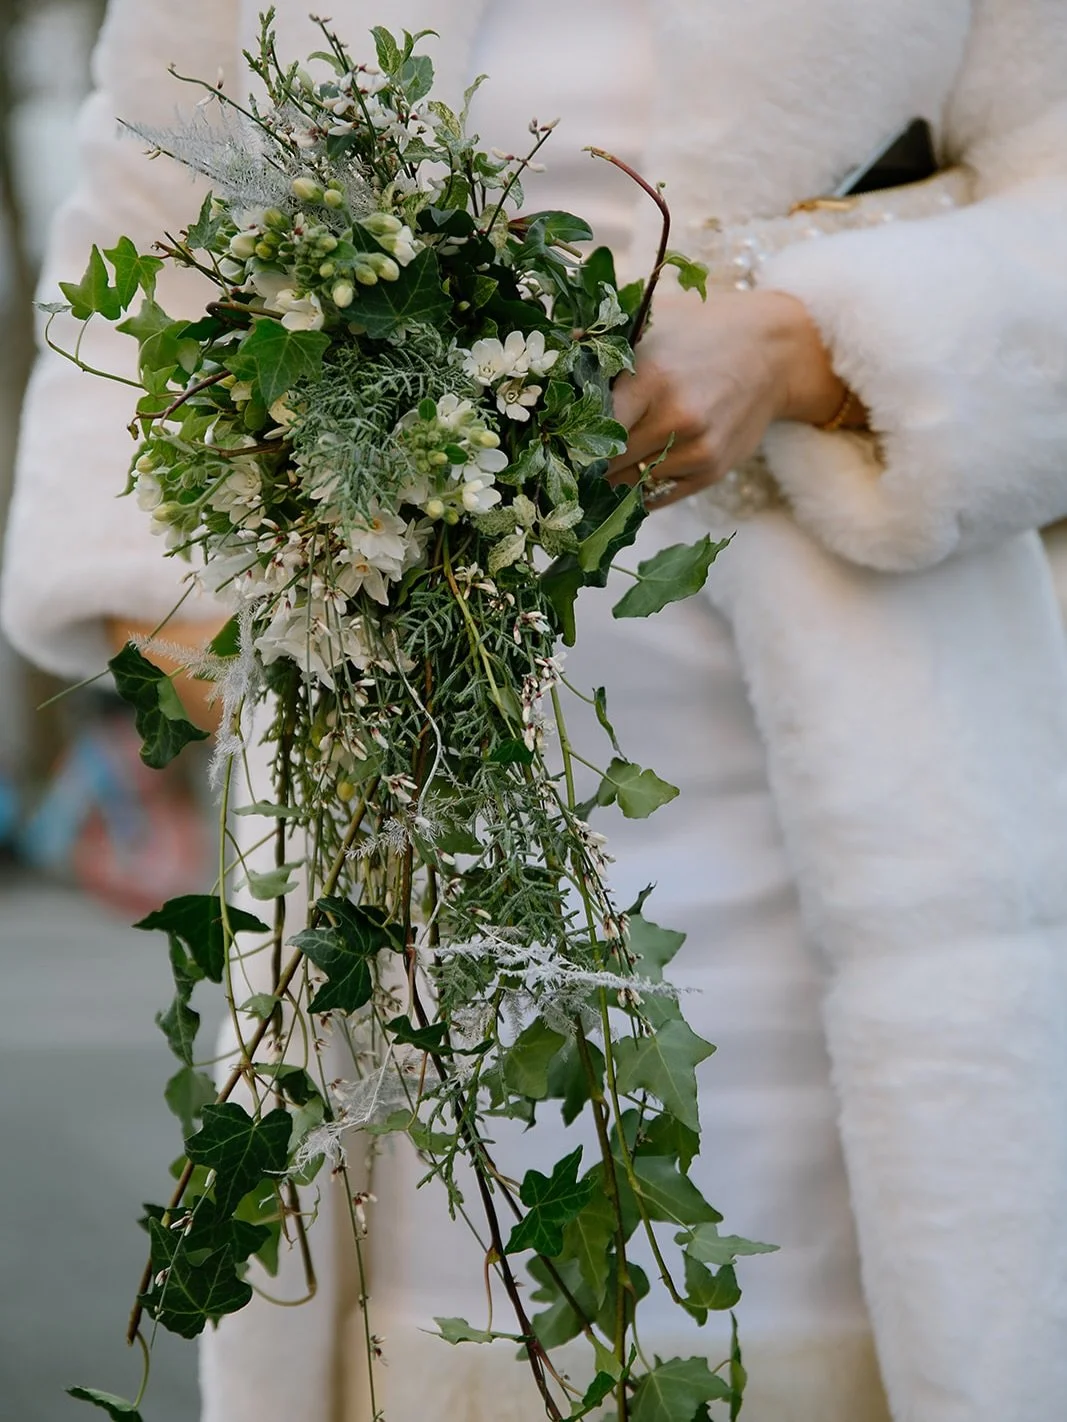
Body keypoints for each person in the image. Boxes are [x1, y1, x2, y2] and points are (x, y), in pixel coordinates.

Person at [4, 3, 1067, 1421]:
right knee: (445, 1308)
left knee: (857, 1303)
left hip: (859, 783)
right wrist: (171, 603)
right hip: (400, 791)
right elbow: (152, 197)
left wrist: (799, 341)